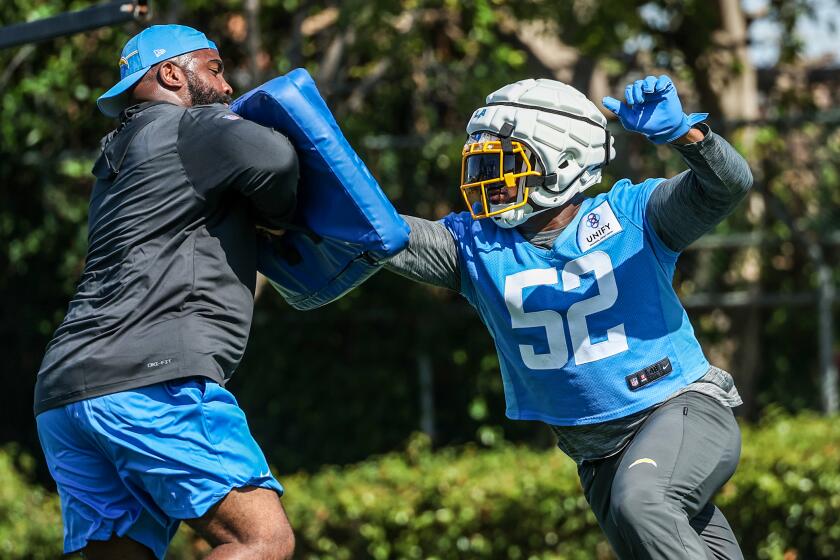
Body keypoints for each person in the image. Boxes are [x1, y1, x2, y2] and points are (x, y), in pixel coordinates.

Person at [385, 75, 752, 559]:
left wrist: (684, 135)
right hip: (600, 458)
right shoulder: (474, 246)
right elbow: (381, 232)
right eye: (479, 163)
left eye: (506, 162)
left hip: (679, 409)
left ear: (561, 162)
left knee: (643, 503)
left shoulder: (633, 214)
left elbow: (727, 186)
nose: (485, 180)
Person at [34, 25, 298, 559]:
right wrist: (277, 214)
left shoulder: (115, 158)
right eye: (215, 68)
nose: (226, 87)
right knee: (260, 540)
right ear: (172, 73)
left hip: (63, 394)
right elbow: (277, 161)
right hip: (150, 384)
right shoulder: (191, 127)